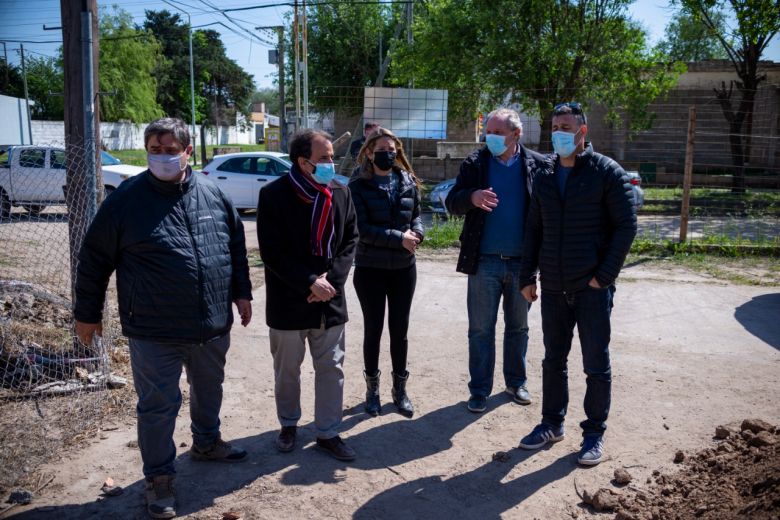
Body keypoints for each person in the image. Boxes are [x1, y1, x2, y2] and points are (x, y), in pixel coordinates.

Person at [73, 117, 253, 519]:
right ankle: (159, 478)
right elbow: (94, 260)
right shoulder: (125, 200)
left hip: (210, 324)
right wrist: (87, 314)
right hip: (154, 329)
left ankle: (207, 442)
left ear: (188, 152)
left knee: (210, 388)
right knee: (157, 407)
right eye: (155, 149)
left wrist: (242, 293)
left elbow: (235, 247)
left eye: (171, 150)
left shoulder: (212, 192)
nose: (163, 157)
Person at [517, 102, 637, 466]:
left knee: (595, 363)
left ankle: (594, 434)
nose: (559, 133)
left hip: (592, 288)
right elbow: (534, 229)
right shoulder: (546, 174)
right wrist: (527, 276)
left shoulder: (606, 172)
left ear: (582, 131)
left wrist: (604, 276)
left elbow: (626, 226)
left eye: (566, 126)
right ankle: (551, 423)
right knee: (553, 359)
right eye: (555, 126)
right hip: (553, 286)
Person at [257, 129, 359, 461]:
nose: (332, 162)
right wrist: (309, 282)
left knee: (331, 367)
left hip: (330, 301)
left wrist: (331, 281)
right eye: (325, 158)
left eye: (331, 156)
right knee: (287, 370)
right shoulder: (274, 195)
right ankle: (289, 425)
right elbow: (272, 252)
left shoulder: (341, 192)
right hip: (289, 301)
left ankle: (328, 432)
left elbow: (350, 241)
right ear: (304, 162)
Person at [445, 108, 550, 414]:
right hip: (484, 262)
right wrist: (472, 197)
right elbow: (453, 201)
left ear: (516, 134)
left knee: (519, 328)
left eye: (497, 132)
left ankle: (516, 382)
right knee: (480, 330)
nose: (489, 137)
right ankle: (479, 391)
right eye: (488, 131)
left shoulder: (538, 165)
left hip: (522, 264)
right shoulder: (475, 163)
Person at [348, 128, 424, 418]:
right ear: (369, 152)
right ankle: (372, 391)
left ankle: (400, 390)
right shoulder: (358, 184)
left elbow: (416, 215)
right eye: (382, 148)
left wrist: (417, 232)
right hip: (370, 269)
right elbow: (362, 230)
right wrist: (398, 238)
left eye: (392, 149)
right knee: (374, 329)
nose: (389, 153)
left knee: (400, 330)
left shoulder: (406, 180)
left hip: (404, 269)